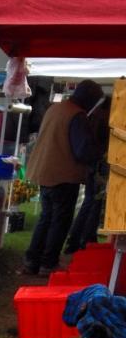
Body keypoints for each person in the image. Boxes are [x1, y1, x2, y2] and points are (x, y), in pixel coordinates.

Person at [22, 79, 104, 275]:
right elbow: (82, 149)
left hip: (45, 170)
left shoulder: (56, 108)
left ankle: (32, 260)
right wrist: (100, 151)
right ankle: (48, 263)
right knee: (60, 220)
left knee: (46, 217)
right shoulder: (77, 115)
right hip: (62, 173)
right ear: (89, 99)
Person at [64, 95, 111, 254]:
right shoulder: (105, 120)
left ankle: (76, 239)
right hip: (100, 165)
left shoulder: (93, 116)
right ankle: (85, 239)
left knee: (89, 202)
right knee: (94, 203)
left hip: (93, 165)